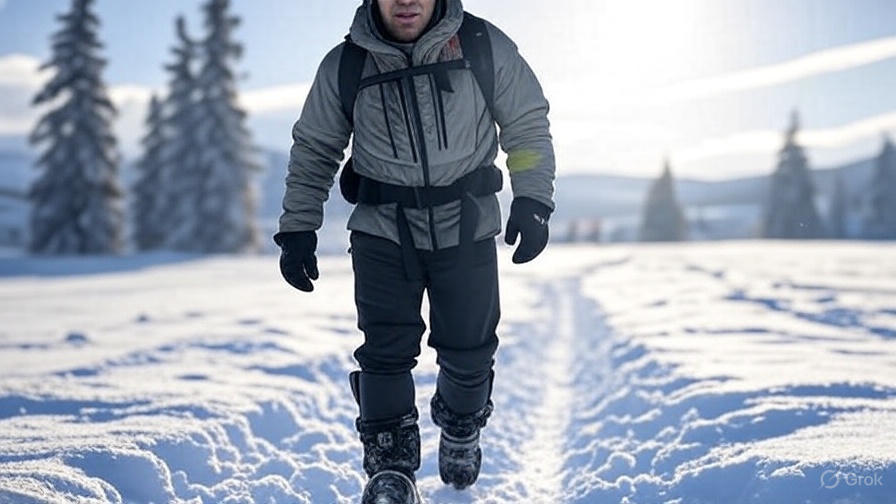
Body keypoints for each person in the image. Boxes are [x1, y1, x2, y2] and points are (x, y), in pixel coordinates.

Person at [273, 0, 555, 500]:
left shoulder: (482, 45)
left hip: (466, 226)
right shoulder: (347, 65)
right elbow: (315, 148)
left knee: (469, 351)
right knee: (385, 352)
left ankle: (461, 426)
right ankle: (391, 472)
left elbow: (526, 123)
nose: (406, 1)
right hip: (383, 229)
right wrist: (298, 226)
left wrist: (532, 199)